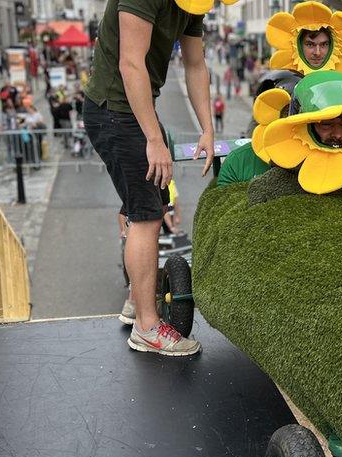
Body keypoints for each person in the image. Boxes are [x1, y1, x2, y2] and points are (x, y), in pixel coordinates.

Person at [84, 0, 214, 356]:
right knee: (148, 215)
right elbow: (130, 64)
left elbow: (196, 64)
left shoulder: (193, 4)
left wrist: (207, 128)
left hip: (133, 109)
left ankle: (134, 302)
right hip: (113, 110)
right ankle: (146, 327)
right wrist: (154, 140)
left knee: (153, 200)